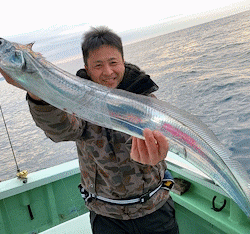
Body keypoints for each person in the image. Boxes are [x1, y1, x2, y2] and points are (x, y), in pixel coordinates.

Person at [0, 26, 179, 234]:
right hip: (107, 218)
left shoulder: (144, 99)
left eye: (113, 63)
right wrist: (38, 92)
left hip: (155, 210)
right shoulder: (77, 101)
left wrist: (155, 155)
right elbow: (62, 130)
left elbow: (162, 142)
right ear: (87, 67)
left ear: (122, 61)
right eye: (98, 65)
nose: (108, 72)